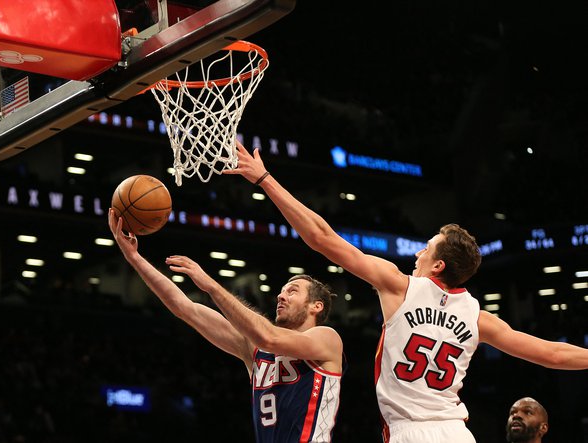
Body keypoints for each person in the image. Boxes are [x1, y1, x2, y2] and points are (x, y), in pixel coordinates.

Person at [225, 140, 588, 443]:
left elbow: (321, 237)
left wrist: (266, 180)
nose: (418, 251)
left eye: (427, 247)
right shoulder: (479, 318)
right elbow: (552, 354)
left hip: (409, 433)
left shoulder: (398, 285)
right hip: (458, 433)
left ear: (438, 265)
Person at [108, 208, 346, 443]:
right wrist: (134, 258)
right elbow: (185, 308)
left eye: (292, 292)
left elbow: (269, 336)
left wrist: (211, 286)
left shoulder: (326, 338)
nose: (281, 297)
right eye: (281, 292)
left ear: (316, 306)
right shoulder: (256, 350)